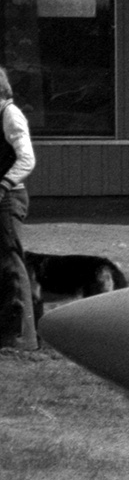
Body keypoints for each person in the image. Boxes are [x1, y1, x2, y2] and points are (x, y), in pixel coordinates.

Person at [0, 66, 36, 349]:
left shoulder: (11, 115)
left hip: (8, 197)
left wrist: (4, 184)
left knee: (12, 263)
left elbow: (27, 159)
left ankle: (23, 338)